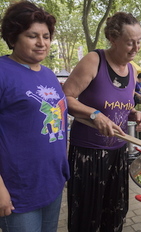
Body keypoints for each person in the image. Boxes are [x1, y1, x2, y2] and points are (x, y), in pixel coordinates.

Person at [62, 12, 141, 232]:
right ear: (113, 38)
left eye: (139, 42)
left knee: (116, 212)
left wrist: (135, 114)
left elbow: (121, 105)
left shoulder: (130, 69)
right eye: (130, 43)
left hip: (118, 152)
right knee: (87, 216)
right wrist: (94, 114)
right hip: (88, 153)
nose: (136, 48)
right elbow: (65, 99)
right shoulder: (94, 60)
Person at [0, 1, 70, 231]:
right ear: (13, 37)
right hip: (17, 191)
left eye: (46, 36)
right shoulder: (3, 72)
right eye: (32, 36)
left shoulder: (49, 74)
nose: (42, 43)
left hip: (51, 183)